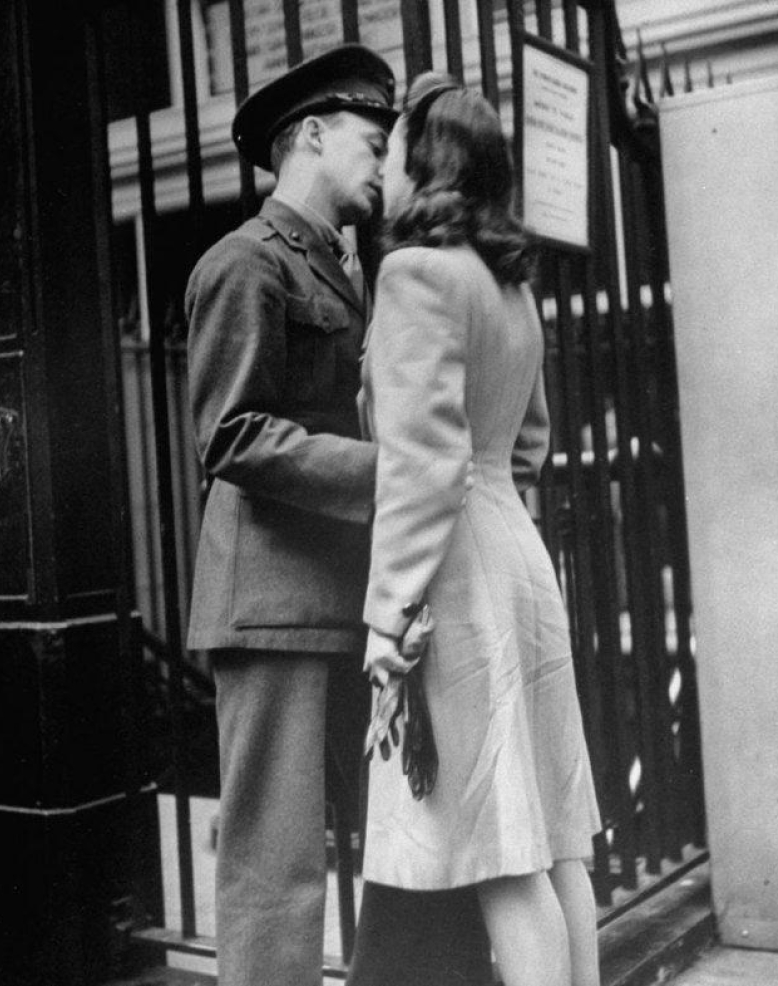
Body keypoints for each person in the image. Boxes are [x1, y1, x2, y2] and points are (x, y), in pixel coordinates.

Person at [185, 46, 491, 986]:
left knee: (392, 846)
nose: (381, 162)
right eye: (369, 141)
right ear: (309, 137)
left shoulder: (351, 269)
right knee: (275, 868)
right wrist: (391, 473)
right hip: (269, 605)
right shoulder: (243, 263)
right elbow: (229, 434)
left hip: (343, 596)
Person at [348, 72, 603, 986]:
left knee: (501, 854)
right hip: (515, 554)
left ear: (426, 162)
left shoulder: (414, 273)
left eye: (394, 147)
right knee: (555, 843)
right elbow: (525, 445)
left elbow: (419, 466)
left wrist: (387, 615)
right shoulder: (507, 286)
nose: (384, 165)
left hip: (456, 568)